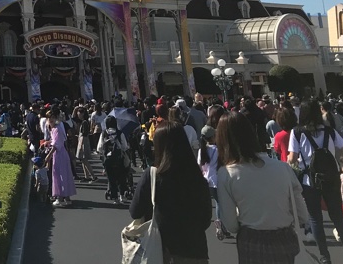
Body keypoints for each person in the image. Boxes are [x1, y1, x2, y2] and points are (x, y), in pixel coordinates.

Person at [217, 111, 306, 264]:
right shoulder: (282, 167)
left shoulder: (226, 174)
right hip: (285, 238)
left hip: (252, 240)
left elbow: (231, 225)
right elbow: (302, 213)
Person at [288, 101, 343, 264]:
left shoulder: (297, 132)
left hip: (310, 180)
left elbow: (292, 158)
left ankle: (324, 256)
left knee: (315, 218)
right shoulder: (330, 131)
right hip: (332, 178)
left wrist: (292, 162)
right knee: (338, 216)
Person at [129, 123, 211, 263]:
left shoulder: (153, 175)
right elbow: (205, 219)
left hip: (161, 249)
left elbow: (135, 211)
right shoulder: (197, 178)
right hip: (194, 249)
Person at [45, 110, 76, 207]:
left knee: (59, 175)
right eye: (49, 118)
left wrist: (48, 155)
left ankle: (60, 198)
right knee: (64, 174)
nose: (50, 120)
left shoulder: (57, 129)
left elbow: (56, 145)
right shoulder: (56, 128)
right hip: (61, 153)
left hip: (59, 154)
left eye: (52, 117)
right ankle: (66, 197)